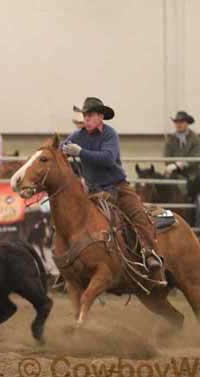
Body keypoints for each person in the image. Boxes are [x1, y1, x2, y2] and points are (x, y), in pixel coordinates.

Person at [61, 97, 165, 285]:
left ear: (101, 116)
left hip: (117, 187)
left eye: (90, 115)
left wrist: (80, 153)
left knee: (138, 214)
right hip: (93, 191)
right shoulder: (79, 135)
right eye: (85, 115)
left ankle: (151, 254)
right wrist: (64, 148)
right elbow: (63, 146)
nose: (86, 119)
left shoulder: (110, 135)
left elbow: (108, 158)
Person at [163, 111, 200, 180]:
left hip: (191, 174)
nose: (179, 124)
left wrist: (178, 165)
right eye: (177, 122)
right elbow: (167, 157)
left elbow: (195, 158)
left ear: (187, 123)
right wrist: (171, 166)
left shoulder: (195, 139)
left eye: (182, 122)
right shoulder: (170, 139)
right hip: (174, 173)